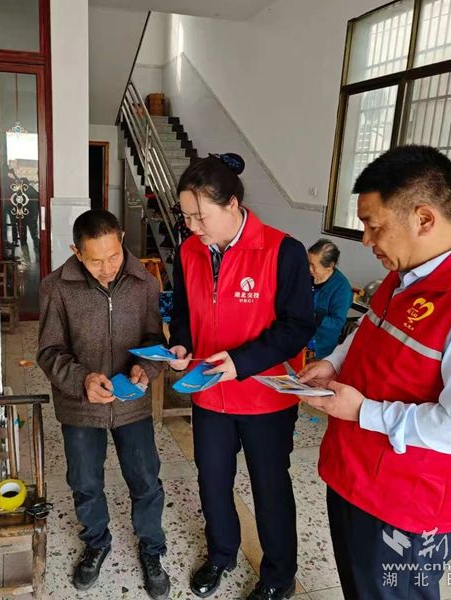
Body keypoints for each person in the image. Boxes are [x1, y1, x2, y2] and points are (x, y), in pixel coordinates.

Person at [298, 145, 451, 599]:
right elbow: (371, 329)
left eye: (374, 225)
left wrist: (364, 412)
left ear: (424, 218)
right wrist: (334, 362)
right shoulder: (405, 273)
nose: (365, 240)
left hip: (405, 507)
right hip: (354, 475)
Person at [167, 153, 316, 600]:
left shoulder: (283, 251)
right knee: (212, 480)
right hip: (209, 393)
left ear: (232, 204)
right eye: (186, 217)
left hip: (264, 397)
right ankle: (221, 554)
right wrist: (181, 344)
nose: (193, 226)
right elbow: (183, 312)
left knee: (270, 488)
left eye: (201, 216)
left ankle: (278, 577)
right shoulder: (188, 252)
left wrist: (241, 362)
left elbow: (297, 326)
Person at [36, 209, 171, 600]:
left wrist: (146, 367)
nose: (108, 268)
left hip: (132, 404)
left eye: (113, 256)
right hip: (81, 406)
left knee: (145, 479)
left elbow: (155, 340)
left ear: (122, 240)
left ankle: (152, 548)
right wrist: (82, 380)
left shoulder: (144, 282)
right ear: (76, 252)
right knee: (85, 482)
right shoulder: (56, 287)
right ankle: (96, 542)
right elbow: (48, 351)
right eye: (95, 261)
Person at [306, 239, 353, 359]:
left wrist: (313, 317)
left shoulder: (341, 288)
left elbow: (337, 323)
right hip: (299, 337)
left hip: (320, 347)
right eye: (308, 263)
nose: (309, 268)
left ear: (330, 266)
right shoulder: (306, 277)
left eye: (313, 265)